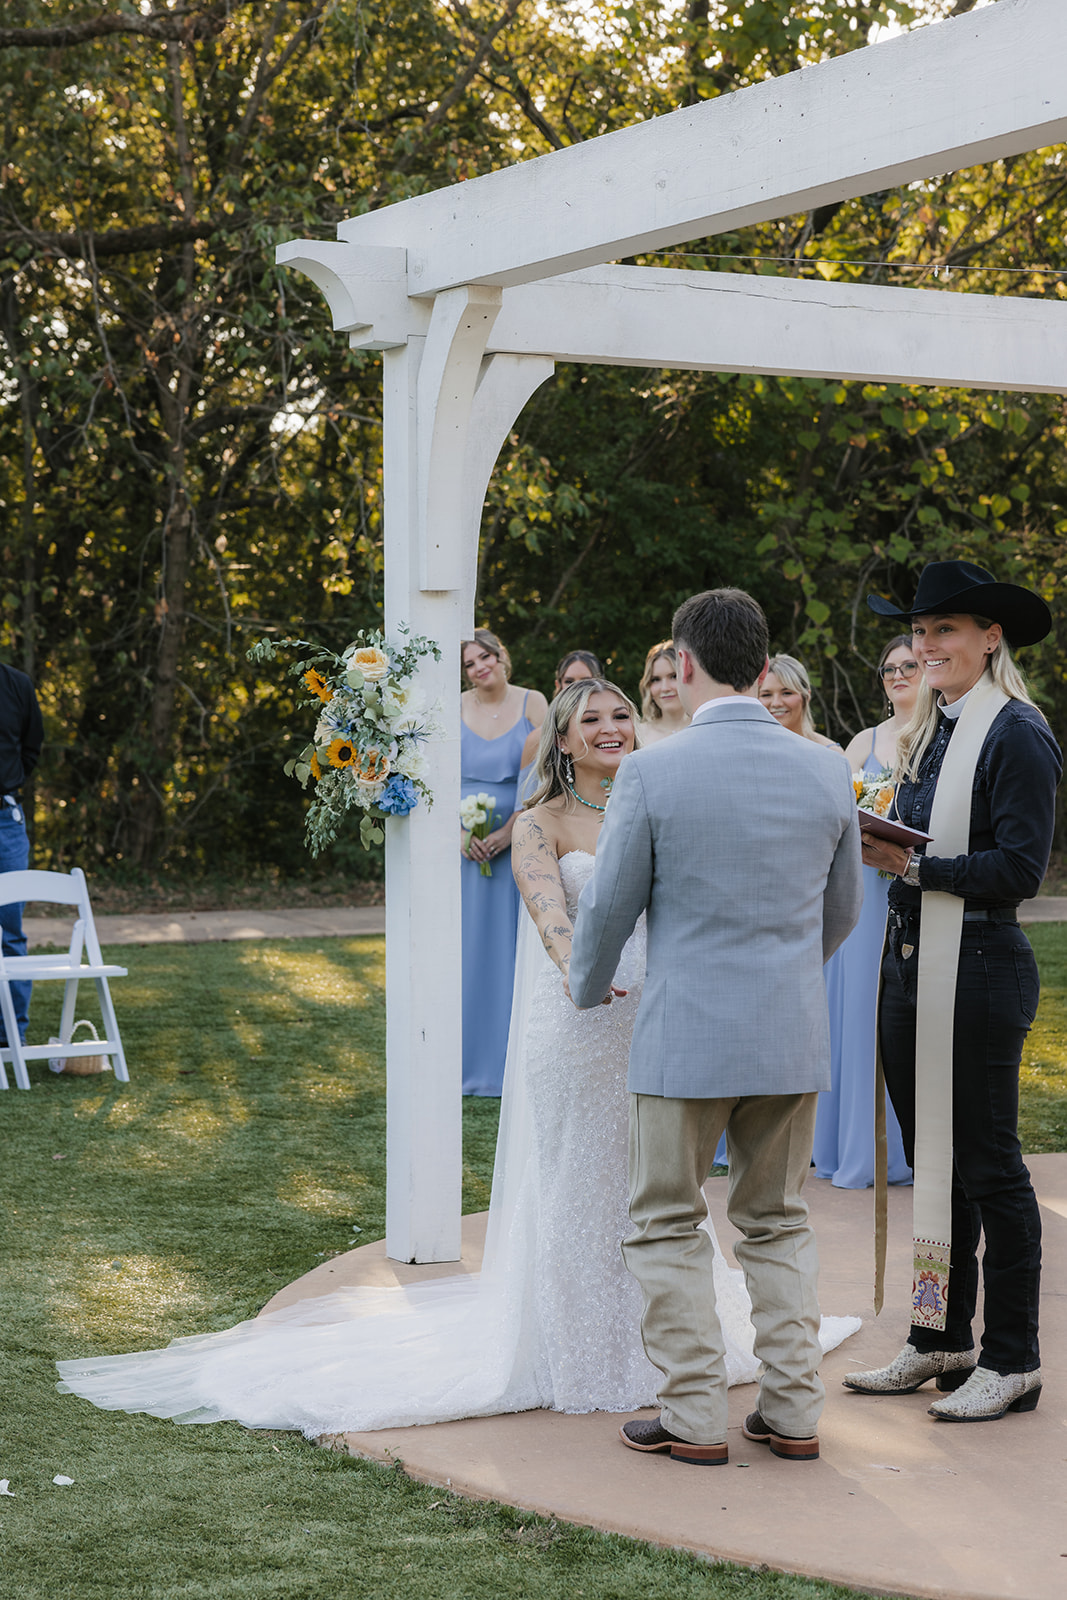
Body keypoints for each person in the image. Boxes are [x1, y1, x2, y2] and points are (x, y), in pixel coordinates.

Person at [54, 680, 859, 1435]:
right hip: (587, 1019)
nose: (613, 728)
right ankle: (588, 1349)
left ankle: (678, 1356)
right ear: (564, 743)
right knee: (590, 1185)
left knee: (656, 1198)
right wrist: (587, 970)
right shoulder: (540, 821)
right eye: (593, 721)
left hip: (675, 1021)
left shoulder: (666, 792)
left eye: (621, 714)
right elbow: (548, 909)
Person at [570, 588, 863, 1466]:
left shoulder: (653, 772)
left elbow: (612, 906)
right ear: (764, 669)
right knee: (775, 1221)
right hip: (788, 1034)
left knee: (664, 1221)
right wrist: (781, 983)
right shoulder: (822, 767)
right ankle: (794, 1411)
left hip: (684, 1039)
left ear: (683, 665)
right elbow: (842, 910)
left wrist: (584, 988)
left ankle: (694, 1414)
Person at [845, 560, 1059, 1423]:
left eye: (944, 631)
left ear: (989, 637)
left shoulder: (1016, 732)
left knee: (990, 1168)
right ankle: (939, 1337)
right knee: (933, 1164)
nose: (926, 645)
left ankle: (1013, 1358)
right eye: (920, 632)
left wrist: (913, 864)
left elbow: (1019, 867)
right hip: (909, 960)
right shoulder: (929, 727)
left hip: (977, 966)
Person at [812, 638, 918, 1188]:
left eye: (910, 666)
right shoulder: (862, 742)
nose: (898, 675)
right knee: (857, 1019)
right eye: (889, 669)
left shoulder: (943, 737)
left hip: (917, 889)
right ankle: (859, 1149)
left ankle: (910, 1148)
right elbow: (837, 812)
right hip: (864, 893)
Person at [460, 629, 547, 1095]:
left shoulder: (534, 703)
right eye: (470, 662)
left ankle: (509, 1065)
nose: (480, 667)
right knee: (466, 950)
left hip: (517, 842)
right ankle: (465, 1061)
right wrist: (459, 837)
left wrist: (507, 832)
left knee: (509, 952)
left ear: (502, 656)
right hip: (462, 854)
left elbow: (549, 773)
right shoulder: (451, 707)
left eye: (486, 656)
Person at [0, 660, 44, 1051]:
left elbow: (31, 749)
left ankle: (11, 1037)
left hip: (4, 822)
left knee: (9, 932)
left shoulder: (17, 685)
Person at [517, 648, 602, 781]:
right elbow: (525, 798)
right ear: (558, 685)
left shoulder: (614, 731)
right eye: (569, 681)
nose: (576, 687)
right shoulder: (537, 739)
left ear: (601, 683)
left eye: (586, 681)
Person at [758, 653, 839, 747]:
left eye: (786, 693)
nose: (776, 703)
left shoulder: (831, 752)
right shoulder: (747, 748)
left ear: (806, 697)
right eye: (766, 695)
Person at [636, 641, 690, 746]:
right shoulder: (638, 735)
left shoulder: (707, 728)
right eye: (656, 679)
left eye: (674, 676)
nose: (665, 688)